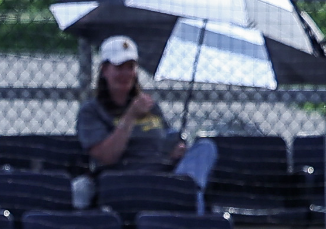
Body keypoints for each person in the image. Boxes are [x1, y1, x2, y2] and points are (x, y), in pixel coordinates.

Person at [75, 35, 219, 214]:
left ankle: (186, 187)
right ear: (104, 70)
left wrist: (176, 149)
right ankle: (188, 201)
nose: (126, 74)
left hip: (163, 176)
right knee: (190, 193)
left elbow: (166, 139)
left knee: (205, 147)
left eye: (130, 67)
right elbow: (106, 157)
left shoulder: (150, 106)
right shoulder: (91, 111)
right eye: (119, 67)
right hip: (124, 182)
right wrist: (130, 117)